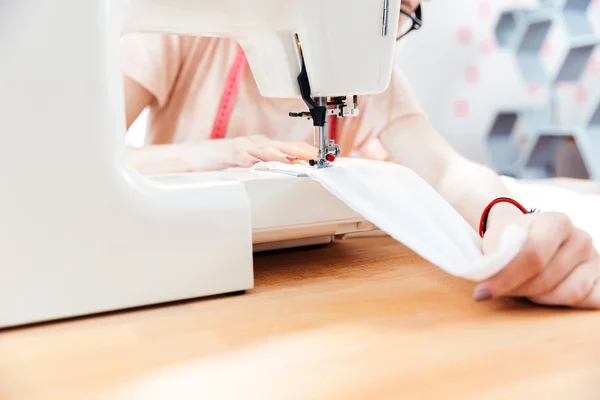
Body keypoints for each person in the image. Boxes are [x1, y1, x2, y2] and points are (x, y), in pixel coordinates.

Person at [120, 1, 599, 309]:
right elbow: (74, 162)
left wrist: (507, 222)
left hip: (308, 288)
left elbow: (449, 170)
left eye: (400, 16)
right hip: (177, 284)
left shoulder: (369, 74)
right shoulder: (179, 35)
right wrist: (208, 155)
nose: (385, 38)